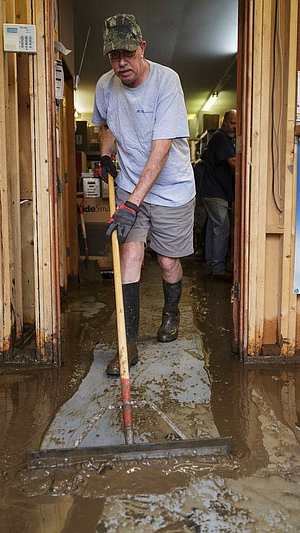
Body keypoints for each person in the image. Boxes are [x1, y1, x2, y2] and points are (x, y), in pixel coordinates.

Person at [92, 14, 195, 376]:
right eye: (113, 55)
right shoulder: (106, 85)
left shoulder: (167, 81)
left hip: (171, 189)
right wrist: (106, 153)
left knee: (167, 262)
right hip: (130, 183)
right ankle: (128, 342)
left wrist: (132, 203)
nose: (121, 63)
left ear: (142, 48)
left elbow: (162, 149)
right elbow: (104, 123)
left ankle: (171, 313)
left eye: (127, 53)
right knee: (130, 253)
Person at [201, 109, 237, 279]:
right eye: (232, 123)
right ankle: (217, 266)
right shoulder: (221, 137)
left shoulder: (223, 139)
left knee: (213, 228)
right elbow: (234, 162)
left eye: (238, 124)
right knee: (223, 227)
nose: (235, 127)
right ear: (224, 122)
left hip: (212, 191)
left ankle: (211, 262)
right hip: (216, 192)